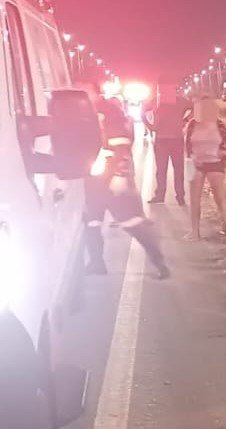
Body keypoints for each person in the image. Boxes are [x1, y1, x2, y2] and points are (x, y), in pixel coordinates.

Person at [76, 78, 170, 279]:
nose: (79, 92)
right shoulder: (83, 112)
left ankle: (160, 263)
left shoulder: (109, 110)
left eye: (83, 88)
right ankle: (96, 263)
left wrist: (119, 175)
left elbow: (122, 145)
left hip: (112, 178)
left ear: (96, 91)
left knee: (132, 223)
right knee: (92, 222)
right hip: (93, 178)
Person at [184, 98, 226, 241]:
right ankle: (194, 232)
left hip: (215, 163)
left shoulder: (218, 124)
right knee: (194, 199)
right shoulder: (192, 124)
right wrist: (191, 158)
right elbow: (187, 144)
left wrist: (222, 153)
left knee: (219, 198)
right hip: (195, 163)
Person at [144, 83, 193, 205]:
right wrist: (150, 126)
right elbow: (143, 111)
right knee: (161, 170)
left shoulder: (180, 101)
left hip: (176, 140)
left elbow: (195, 107)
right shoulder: (156, 101)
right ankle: (160, 195)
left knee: (178, 170)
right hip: (162, 140)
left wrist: (185, 120)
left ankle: (180, 196)